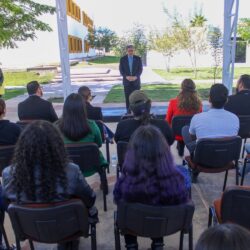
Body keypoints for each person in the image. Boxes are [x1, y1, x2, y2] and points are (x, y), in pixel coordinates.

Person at [2, 121, 97, 250]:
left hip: (29, 228)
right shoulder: (71, 171)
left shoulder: (9, 173)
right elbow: (89, 198)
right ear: (57, 145)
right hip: (69, 227)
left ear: (22, 146)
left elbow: (7, 203)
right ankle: (68, 242)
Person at [114, 125, 189, 250]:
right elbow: (182, 200)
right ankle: (158, 244)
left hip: (133, 225)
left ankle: (131, 245)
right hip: (164, 224)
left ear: (132, 152)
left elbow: (118, 201)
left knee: (128, 212)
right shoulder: (178, 180)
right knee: (159, 209)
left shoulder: (123, 183)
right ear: (164, 151)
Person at [57, 93, 108, 192]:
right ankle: (104, 184)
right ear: (83, 109)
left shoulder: (56, 126)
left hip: (66, 165)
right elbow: (99, 143)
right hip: (92, 164)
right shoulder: (92, 125)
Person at [182, 84, 239, 154]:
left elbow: (193, 137)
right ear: (226, 100)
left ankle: (191, 154)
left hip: (202, 159)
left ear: (209, 99)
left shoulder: (197, 118)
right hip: (226, 160)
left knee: (185, 129)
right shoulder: (235, 119)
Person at [166, 79, 202, 156]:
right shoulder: (199, 104)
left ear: (181, 89)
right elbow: (200, 121)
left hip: (177, 134)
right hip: (192, 134)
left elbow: (167, 120)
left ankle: (181, 144)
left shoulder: (173, 102)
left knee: (181, 130)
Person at [119, 45, 143, 114]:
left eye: (132, 50)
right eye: (129, 51)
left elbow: (140, 69)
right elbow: (121, 70)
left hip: (136, 82)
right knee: (128, 97)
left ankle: (137, 111)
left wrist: (136, 76)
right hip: (127, 82)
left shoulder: (138, 58)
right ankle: (128, 111)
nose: (131, 52)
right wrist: (126, 76)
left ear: (134, 50)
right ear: (127, 51)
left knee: (137, 97)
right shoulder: (122, 59)